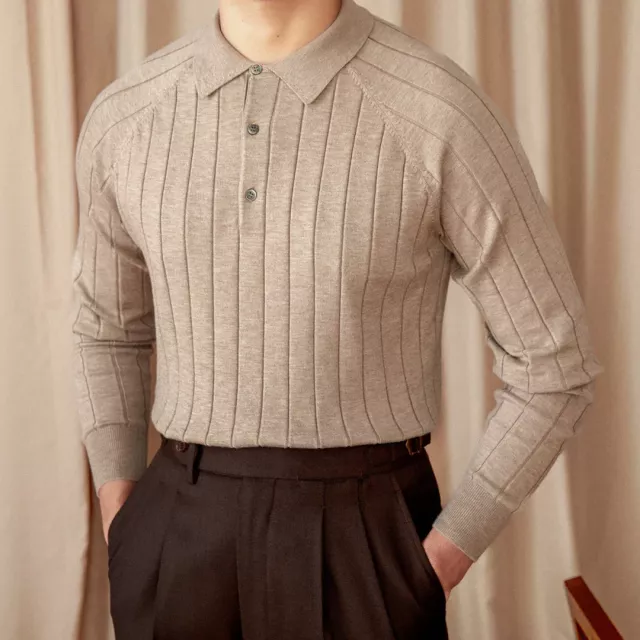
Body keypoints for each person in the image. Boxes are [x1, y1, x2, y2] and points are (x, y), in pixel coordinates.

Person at [70, 0, 604, 638]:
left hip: (365, 539)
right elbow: (106, 328)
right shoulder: (126, 115)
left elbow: (554, 361)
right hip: (175, 529)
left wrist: (436, 560)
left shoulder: (438, 109)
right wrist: (122, 518)